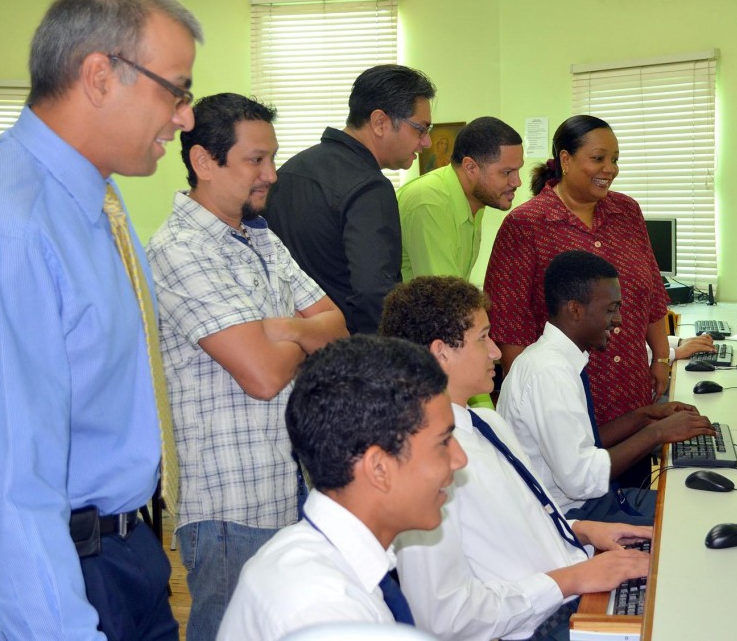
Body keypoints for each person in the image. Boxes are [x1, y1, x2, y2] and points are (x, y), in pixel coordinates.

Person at [0, 0, 201, 640]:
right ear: (101, 75)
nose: (185, 116)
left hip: (124, 552)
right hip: (48, 577)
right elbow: (9, 483)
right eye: (176, 90)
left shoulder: (95, 207)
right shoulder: (9, 224)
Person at [146, 93, 348, 640]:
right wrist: (296, 332)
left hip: (289, 486)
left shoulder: (259, 237)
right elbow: (261, 377)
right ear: (204, 162)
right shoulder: (180, 248)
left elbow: (337, 326)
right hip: (230, 506)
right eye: (256, 160)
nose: (272, 175)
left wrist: (281, 329)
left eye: (272, 158)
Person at [380, 276, 652, 641]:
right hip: (539, 625)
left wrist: (582, 532)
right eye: (483, 338)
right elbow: (445, 619)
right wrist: (573, 577)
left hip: (573, 586)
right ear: (440, 353)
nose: (495, 351)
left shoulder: (485, 422)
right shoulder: (418, 465)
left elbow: (513, 534)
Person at [217, 336, 468, 640]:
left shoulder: (332, 565)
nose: (460, 459)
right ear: (378, 468)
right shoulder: (323, 609)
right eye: (443, 442)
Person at [485, 114, 679, 427]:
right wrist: (528, 395)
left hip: (632, 393)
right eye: (598, 158)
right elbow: (510, 323)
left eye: (615, 159)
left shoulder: (627, 212)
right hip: (564, 402)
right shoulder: (525, 225)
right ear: (566, 159)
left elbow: (651, 293)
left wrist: (660, 358)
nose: (610, 169)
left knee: (638, 475)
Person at [498, 251, 715, 523]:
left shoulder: (555, 358)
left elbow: (583, 443)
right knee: (702, 514)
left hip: (593, 502)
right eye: (611, 309)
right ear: (575, 309)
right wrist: (659, 432)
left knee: (698, 501)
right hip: (573, 517)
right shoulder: (549, 374)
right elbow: (581, 480)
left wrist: (645, 416)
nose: (620, 320)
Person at [265, 64, 437, 335]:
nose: (426, 142)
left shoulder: (291, 169)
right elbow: (374, 293)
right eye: (421, 129)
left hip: (289, 344)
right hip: (351, 355)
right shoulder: (370, 187)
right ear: (380, 122)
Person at [397, 117, 524, 281]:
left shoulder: (474, 200)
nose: (517, 182)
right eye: (507, 172)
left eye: (518, 170)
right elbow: (442, 298)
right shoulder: (430, 202)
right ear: (470, 167)